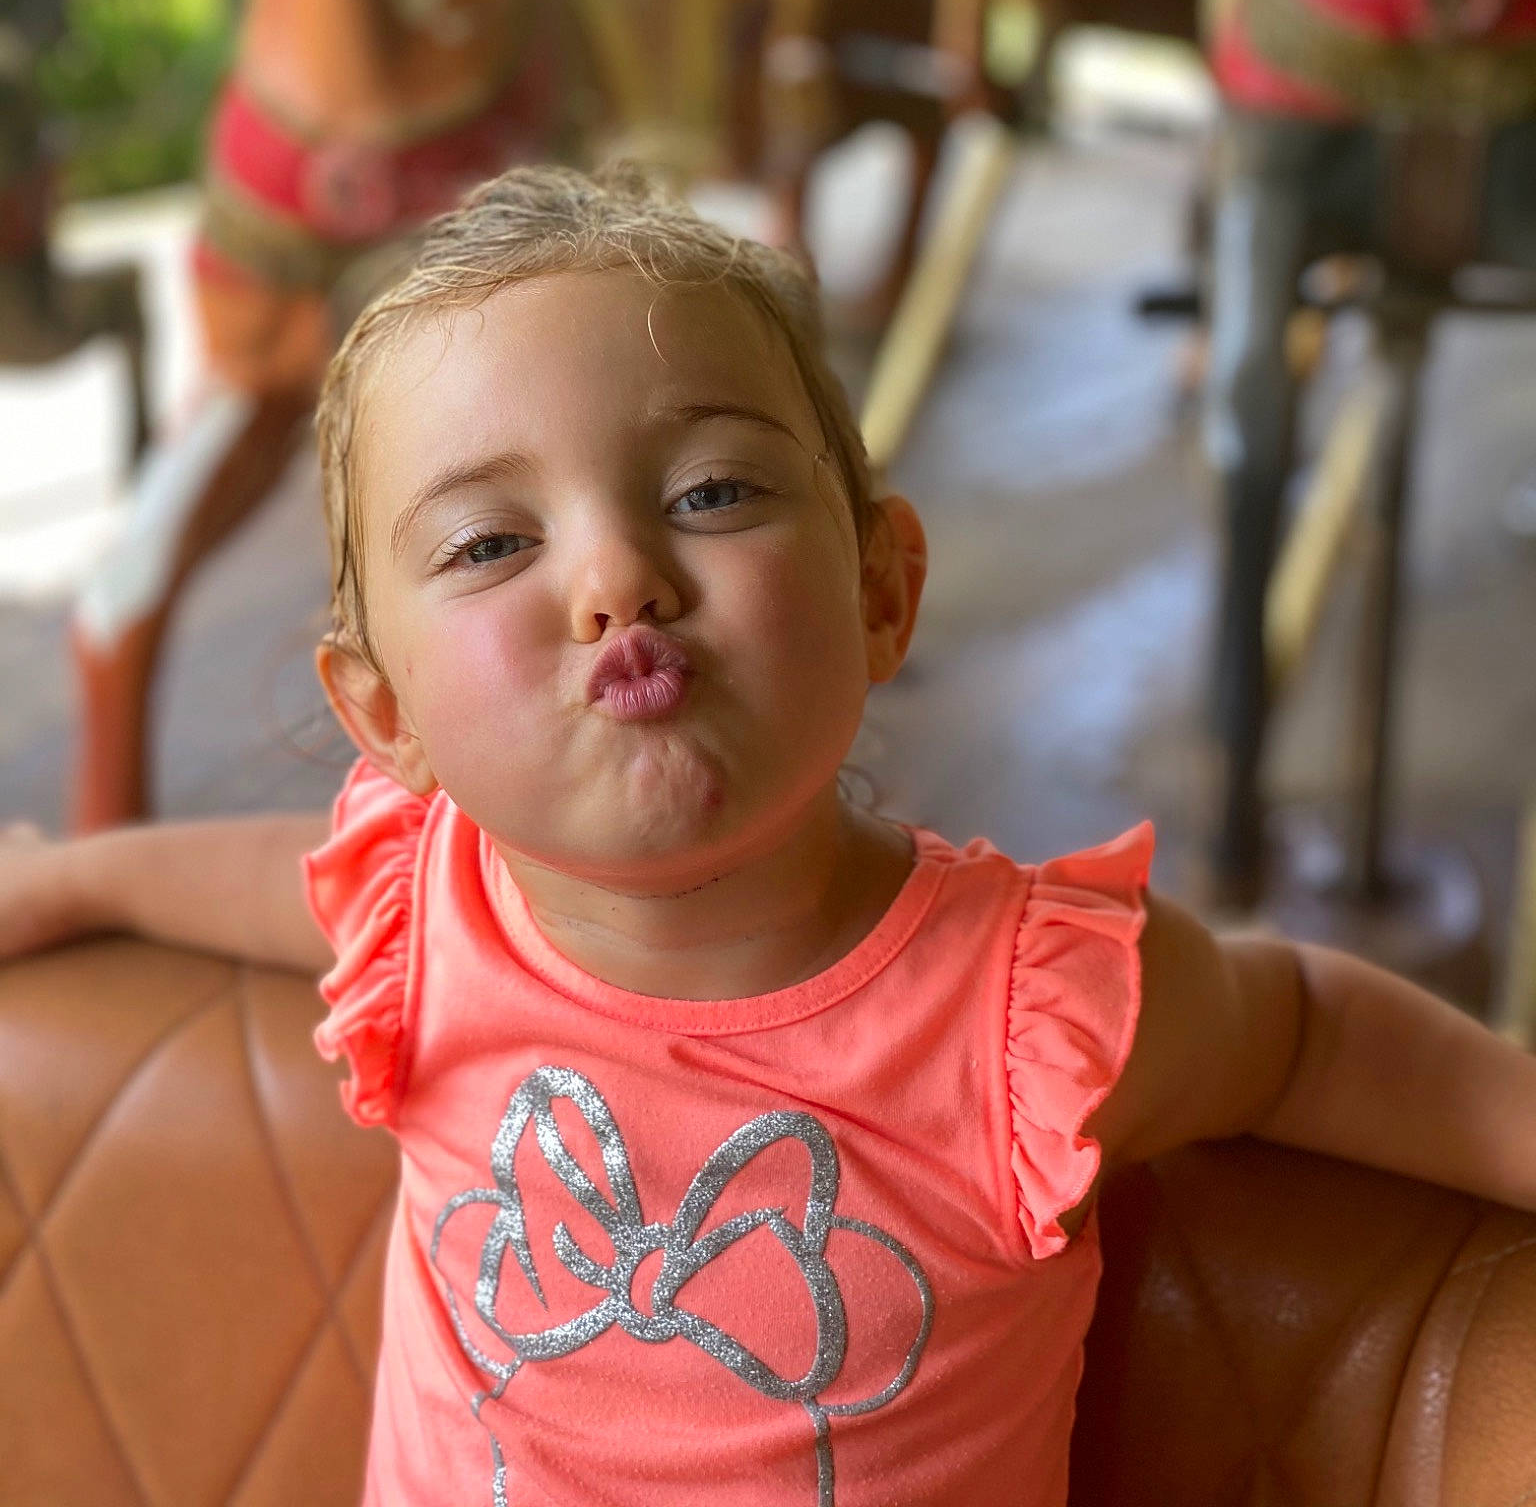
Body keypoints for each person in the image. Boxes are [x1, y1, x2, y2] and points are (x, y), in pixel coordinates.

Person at [3, 162, 1535, 1506]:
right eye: (491, 542)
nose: (616, 575)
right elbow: (271, 884)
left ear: (881, 590)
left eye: (714, 490)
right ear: (386, 712)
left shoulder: (1025, 1018)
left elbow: (1308, 1032)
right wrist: (66, 881)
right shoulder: (426, 905)